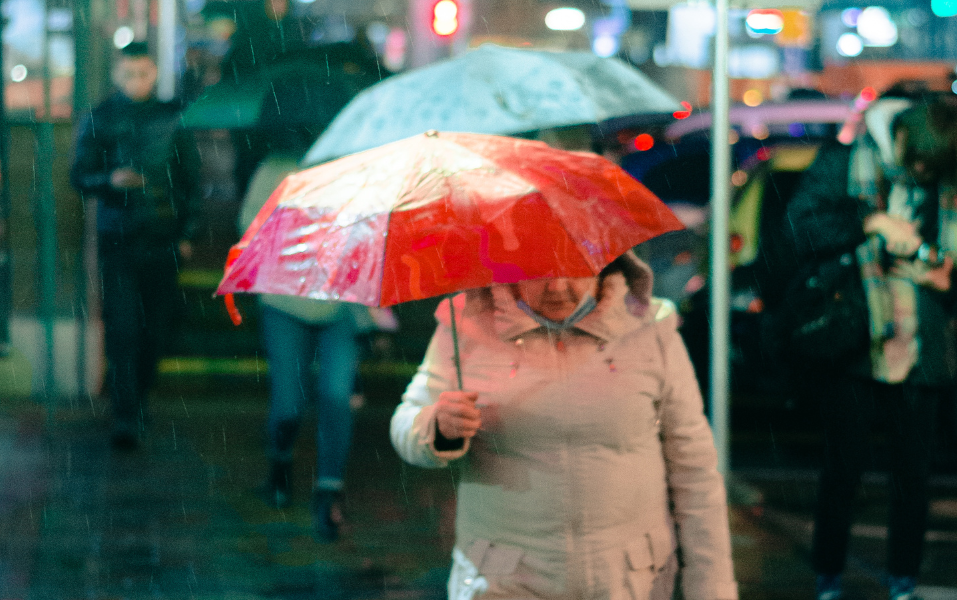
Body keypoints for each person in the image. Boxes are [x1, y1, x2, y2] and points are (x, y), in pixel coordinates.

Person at [391, 252, 739, 599]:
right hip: (501, 580)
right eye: (538, 269)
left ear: (605, 261)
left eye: (575, 268)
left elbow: (694, 472)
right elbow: (406, 422)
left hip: (628, 581)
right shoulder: (466, 323)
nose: (558, 287)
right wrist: (436, 425)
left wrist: (713, 589)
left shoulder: (650, 329)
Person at [782, 95, 957, 600]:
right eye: (918, 158)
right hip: (854, 340)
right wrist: (869, 224)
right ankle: (828, 577)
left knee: (913, 477)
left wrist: (950, 282)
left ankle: (904, 581)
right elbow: (799, 228)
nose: (923, 170)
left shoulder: (947, 181)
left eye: (934, 165)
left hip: (921, 347)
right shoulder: (847, 160)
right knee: (842, 470)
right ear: (899, 134)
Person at [236, 143, 385, 543]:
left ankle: (328, 493)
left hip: (341, 306)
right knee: (288, 403)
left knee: (337, 396)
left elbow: (375, 236)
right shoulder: (276, 169)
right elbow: (250, 227)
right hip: (285, 301)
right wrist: (296, 242)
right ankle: (280, 466)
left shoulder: (357, 171)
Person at [70, 42, 201, 450]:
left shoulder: (172, 116)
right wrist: (110, 180)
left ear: (153, 74)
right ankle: (126, 413)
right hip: (120, 237)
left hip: (161, 237)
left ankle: (137, 400)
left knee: (155, 330)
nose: (136, 82)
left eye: (143, 74)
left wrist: (185, 234)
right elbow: (79, 175)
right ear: (117, 74)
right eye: (129, 74)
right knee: (125, 328)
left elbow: (190, 181)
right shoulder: (101, 117)